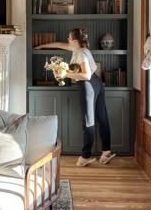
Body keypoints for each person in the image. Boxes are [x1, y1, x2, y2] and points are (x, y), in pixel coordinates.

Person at [34, 28, 116, 166]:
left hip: (88, 85)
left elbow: (86, 75)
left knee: (88, 122)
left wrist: (66, 74)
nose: (67, 39)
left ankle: (85, 156)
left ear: (75, 40)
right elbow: (60, 44)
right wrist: (42, 46)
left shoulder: (81, 54)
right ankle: (106, 152)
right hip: (98, 84)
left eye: (69, 38)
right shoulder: (80, 49)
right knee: (102, 118)